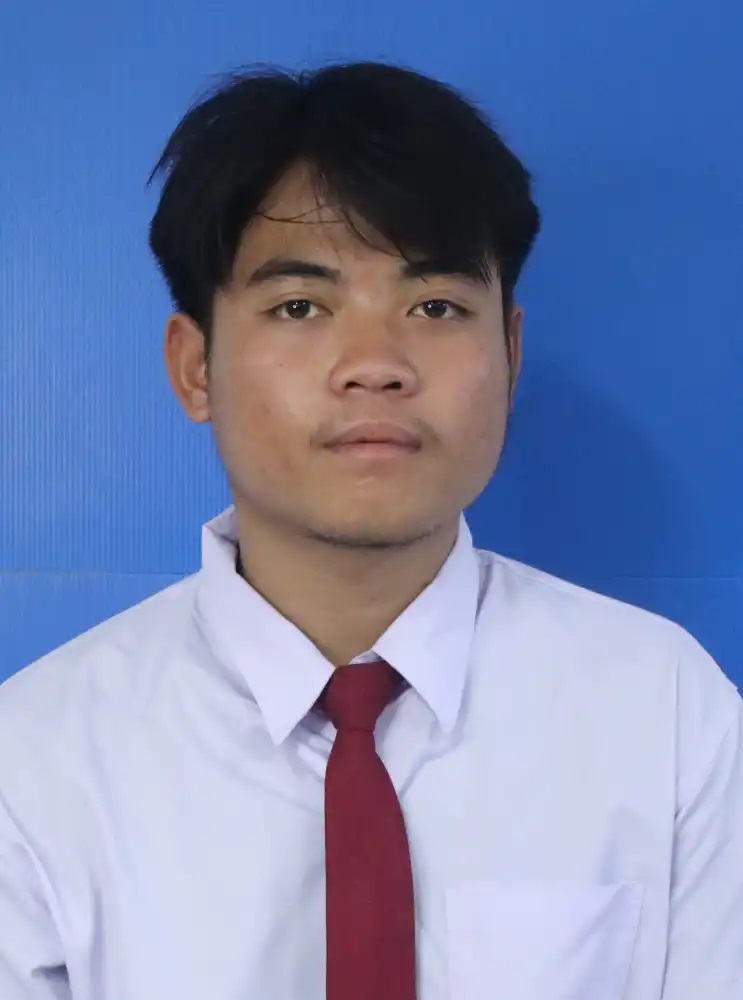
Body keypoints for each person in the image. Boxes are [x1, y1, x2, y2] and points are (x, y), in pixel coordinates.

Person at [0, 59, 741, 1000]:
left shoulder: (666, 714)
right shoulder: (35, 763)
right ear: (195, 368)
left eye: (435, 307)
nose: (376, 364)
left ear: (509, 355)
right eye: (299, 307)